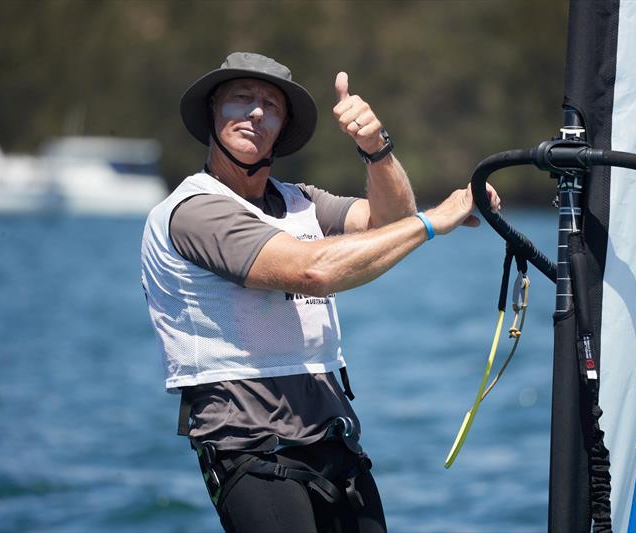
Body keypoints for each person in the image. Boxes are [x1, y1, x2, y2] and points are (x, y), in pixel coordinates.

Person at [141, 52, 500, 533]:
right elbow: (311, 271)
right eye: (240, 99)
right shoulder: (194, 210)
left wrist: (375, 147)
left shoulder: (302, 201)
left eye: (271, 105)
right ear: (212, 113)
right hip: (249, 452)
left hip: (334, 445)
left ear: (282, 128)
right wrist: (435, 221)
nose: (255, 113)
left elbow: (389, 225)